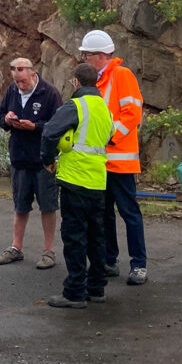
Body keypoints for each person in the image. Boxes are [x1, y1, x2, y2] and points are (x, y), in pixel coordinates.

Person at [38, 61, 113, 309]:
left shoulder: (76, 105)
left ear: (76, 82)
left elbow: (50, 132)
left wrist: (48, 160)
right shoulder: (104, 108)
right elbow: (109, 136)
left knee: (75, 238)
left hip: (74, 180)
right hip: (98, 181)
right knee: (96, 237)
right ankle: (96, 288)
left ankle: (74, 292)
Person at [80, 29, 148, 285]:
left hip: (120, 160)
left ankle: (138, 265)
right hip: (101, 161)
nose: (84, 58)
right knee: (104, 213)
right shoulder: (97, 80)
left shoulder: (121, 75)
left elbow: (133, 112)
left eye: (87, 54)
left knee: (129, 213)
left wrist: (110, 137)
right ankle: (110, 261)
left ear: (100, 55)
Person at [0, 57, 62, 269]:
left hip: (43, 160)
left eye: (23, 81)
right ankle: (16, 247)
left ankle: (49, 252)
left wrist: (35, 126)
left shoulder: (50, 93)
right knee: (20, 205)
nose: (19, 85)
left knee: (48, 206)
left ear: (33, 74)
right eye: (16, 81)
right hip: (20, 158)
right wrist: (7, 119)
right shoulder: (12, 91)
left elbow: (58, 125)